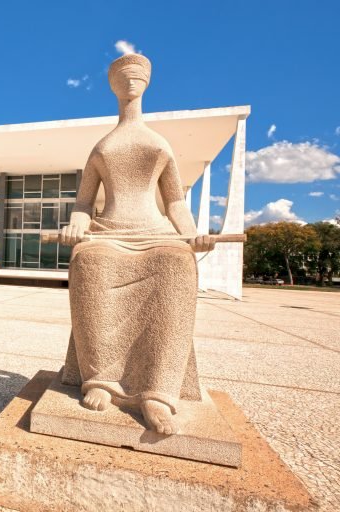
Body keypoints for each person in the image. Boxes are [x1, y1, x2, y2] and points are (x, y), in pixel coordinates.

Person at [59, 53, 214, 435]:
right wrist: (76, 225)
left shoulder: (158, 143)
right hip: (108, 232)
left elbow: (175, 201)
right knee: (88, 263)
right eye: (124, 76)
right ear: (112, 85)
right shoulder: (103, 146)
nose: (131, 82)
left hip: (155, 231)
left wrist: (192, 233)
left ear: (148, 82)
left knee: (177, 263)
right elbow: (83, 203)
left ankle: (158, 391)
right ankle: (101, 379)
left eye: (138, 76)